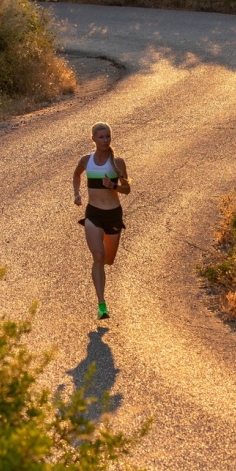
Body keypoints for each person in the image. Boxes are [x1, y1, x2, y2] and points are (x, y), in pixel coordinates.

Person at [73, 122, 130, 321]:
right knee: (98, 256)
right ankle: (101, 305)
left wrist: (113, 185)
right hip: (93, 213)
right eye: (101, 137)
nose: (105, 140)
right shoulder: (86, 160)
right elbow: (76, 175)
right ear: (93, 139)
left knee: (109, 259)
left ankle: (103, 276)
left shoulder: (117, 163)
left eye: (108, 137)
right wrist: (76, 194)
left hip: (113, 215)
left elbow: (127, 189)